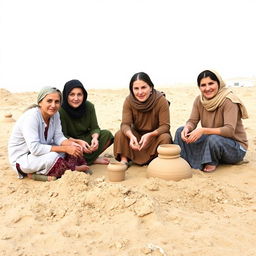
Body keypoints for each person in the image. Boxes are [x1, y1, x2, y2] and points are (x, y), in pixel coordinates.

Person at [8, 87, 90, 181]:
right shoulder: (31, 117)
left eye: (57, 102)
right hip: (23, 159)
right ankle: (71, 169)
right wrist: (65, 148)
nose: (53, 105)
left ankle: (39, 173)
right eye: (49, 101)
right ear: (40, 102)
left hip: (40, 153)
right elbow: (35, 148)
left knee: (72, 149)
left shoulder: (55, 114)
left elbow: (58, 137)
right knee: (53, 157)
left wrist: (71, 144)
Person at [174, 70, 248, 172]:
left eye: (211, 83)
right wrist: (188, 128)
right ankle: (183, 161)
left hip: (235, 147)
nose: (207, 88)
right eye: (203, 85)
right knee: (180, 131)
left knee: (214, 139)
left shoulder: (229, 100)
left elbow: (229, 131)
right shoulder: (199, 100)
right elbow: (192, 120)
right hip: (211, 141)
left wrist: (203, 131)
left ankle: (211, 161)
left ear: (219, 83)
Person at [114, 72, 172, 168]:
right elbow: (125, 124)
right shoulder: (128, 101)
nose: (140, 92)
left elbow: (165, 126)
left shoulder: (161, 100)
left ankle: (156, 161)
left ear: (151, 87)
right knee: (120, 134)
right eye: (136, 88)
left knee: (165, 137)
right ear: (131, 90)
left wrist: (150, 134)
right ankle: (124, 160)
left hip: (154, 137)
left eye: (143, 87)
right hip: (137, 138)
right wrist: (131, 136)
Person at [59, 79, 114, 166]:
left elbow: (95, 128)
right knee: (68, 150)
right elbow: (62, 136)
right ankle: (91, 159)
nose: (76, 98)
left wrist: (95, 138)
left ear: (84, 95)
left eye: (79, 94)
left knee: (107, 135)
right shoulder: (61, 110)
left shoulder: (89, 106)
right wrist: (78, 142)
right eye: (72, 94)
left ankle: (88, 159)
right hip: (71, 141)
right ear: (66, 95)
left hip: (86, 140)